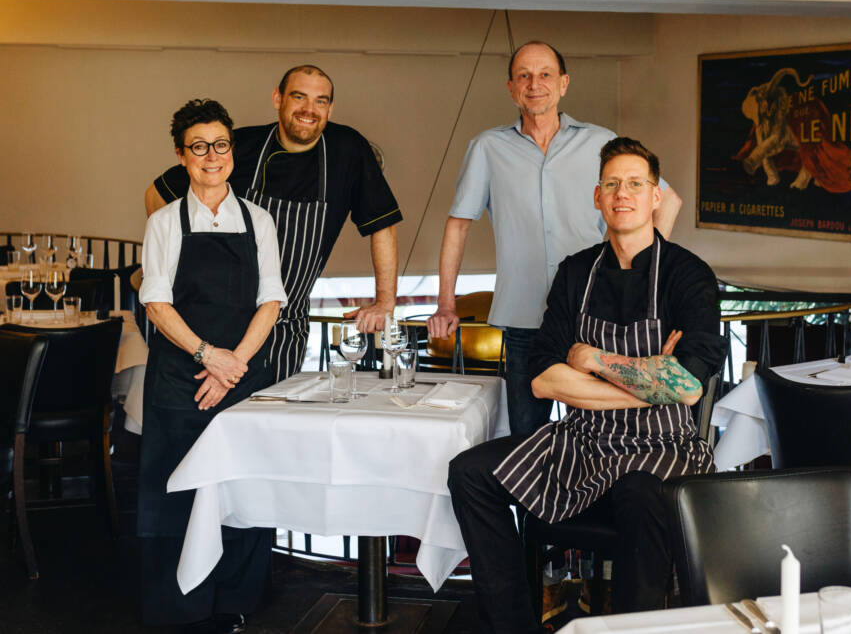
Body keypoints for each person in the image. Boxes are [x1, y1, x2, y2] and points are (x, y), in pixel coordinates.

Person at [447, 137, 726, 634]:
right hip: (581, 444)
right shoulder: (576, 273)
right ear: (597, 197)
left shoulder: (689, 275)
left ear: (655, 197)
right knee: (470, 473)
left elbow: (685, 387)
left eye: (636, 184)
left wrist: (593, 360)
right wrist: (645, 381)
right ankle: (513, 625)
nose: (624, 194)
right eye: (613, 184)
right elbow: (541, 379)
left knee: (643, 497)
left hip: (662, 446)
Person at [427, 41, 683, 437]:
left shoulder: (601, 143)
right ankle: (535, 502)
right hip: (524, 316)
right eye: (524, 76)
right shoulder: (487, 148)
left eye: (545, 74)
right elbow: (458, 224)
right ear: (511, 88)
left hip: (599, 318)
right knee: (527, 439)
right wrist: (445, 303)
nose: (535, 84)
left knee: (609, 430)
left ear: (563, 84)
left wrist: (639, 271)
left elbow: (667, 200)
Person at [145, 65, 402, 382]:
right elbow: (156, 196)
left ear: (330, 108)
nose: (309, 109)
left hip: (285, 330)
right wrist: (176, 268)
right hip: (221, 330)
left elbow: (383, 224)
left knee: (268, 424)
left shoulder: (348, 151)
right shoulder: (237, 148)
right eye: (299, 96)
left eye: (321, 100)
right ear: (277, 99)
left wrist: (385, 302)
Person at [138, 99, 288, 632]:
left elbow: (270, 301)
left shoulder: (260, 220)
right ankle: (182, 608)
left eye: (219, 145)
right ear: (181, 155)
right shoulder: (164, 221)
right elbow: (157, 304)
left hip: (242, 374)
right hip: (182, 377)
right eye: (198, 146)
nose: (211, 156)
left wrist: (235, 365)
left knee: (242, 489)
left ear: (231, 152)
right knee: (176, 489)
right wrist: (208, 356)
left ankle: (235, 602)